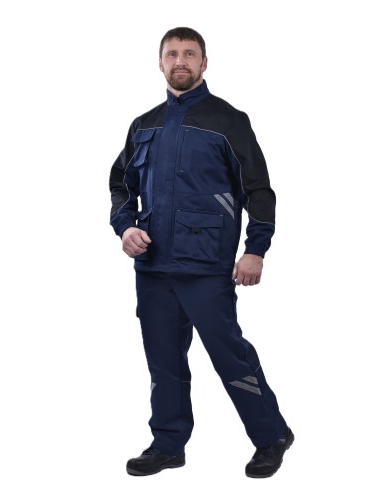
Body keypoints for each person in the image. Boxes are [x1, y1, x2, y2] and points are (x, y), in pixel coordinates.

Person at [109, 27, 293, 478]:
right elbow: (121, 186)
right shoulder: (143, 124)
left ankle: (271, 436)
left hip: (207, 266)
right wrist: (125, 227)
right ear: (160, 63)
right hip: (153, 266)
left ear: (204, 63)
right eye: (172, 53)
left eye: (190, 53)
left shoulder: (229, 120)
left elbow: (258, 190)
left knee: (230, 356)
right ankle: (168, 444)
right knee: (164, 362)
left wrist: (256, 250)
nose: (180, 61)